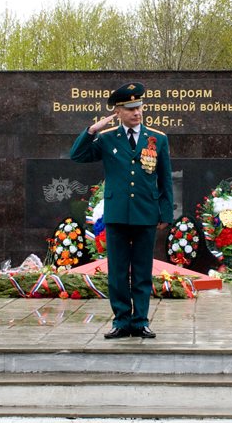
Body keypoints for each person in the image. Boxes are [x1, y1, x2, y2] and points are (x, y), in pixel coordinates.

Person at [70, 82, 174, 339]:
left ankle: (140, 321)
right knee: (117, 271)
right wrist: (92, 130)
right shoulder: (106, 139)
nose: (137, 113)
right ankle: (121, 320)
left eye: (139, 107)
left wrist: (165, 213)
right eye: (130, 109)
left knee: (141, 270)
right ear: (118, 112)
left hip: (145, 212)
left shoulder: (157, 139)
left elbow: (165, 179)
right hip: (117, 213)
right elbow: (77, 155)